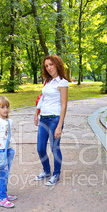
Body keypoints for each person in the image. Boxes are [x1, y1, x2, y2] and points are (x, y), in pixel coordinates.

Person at [34, 55, 69, 186]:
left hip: (55, 119)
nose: (49, 68)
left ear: (57, 65)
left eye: (51, 64)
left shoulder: (62, 83)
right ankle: (47, 171)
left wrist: (59, 126)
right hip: (43, 119)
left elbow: (64, 105)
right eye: (46, 66)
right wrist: (36, 113)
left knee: (54, 148)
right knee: (40, 148)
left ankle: (56, 175)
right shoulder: (47, 82)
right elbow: (42, 98)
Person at [0, 96, 17, 208]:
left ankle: (4, 194)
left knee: (6, 174)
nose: (5, 109)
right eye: (2, 107)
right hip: (0, 152)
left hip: (8, 150)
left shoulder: (9, 121)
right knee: (4, 175)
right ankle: (2, 199)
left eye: (7, 107)